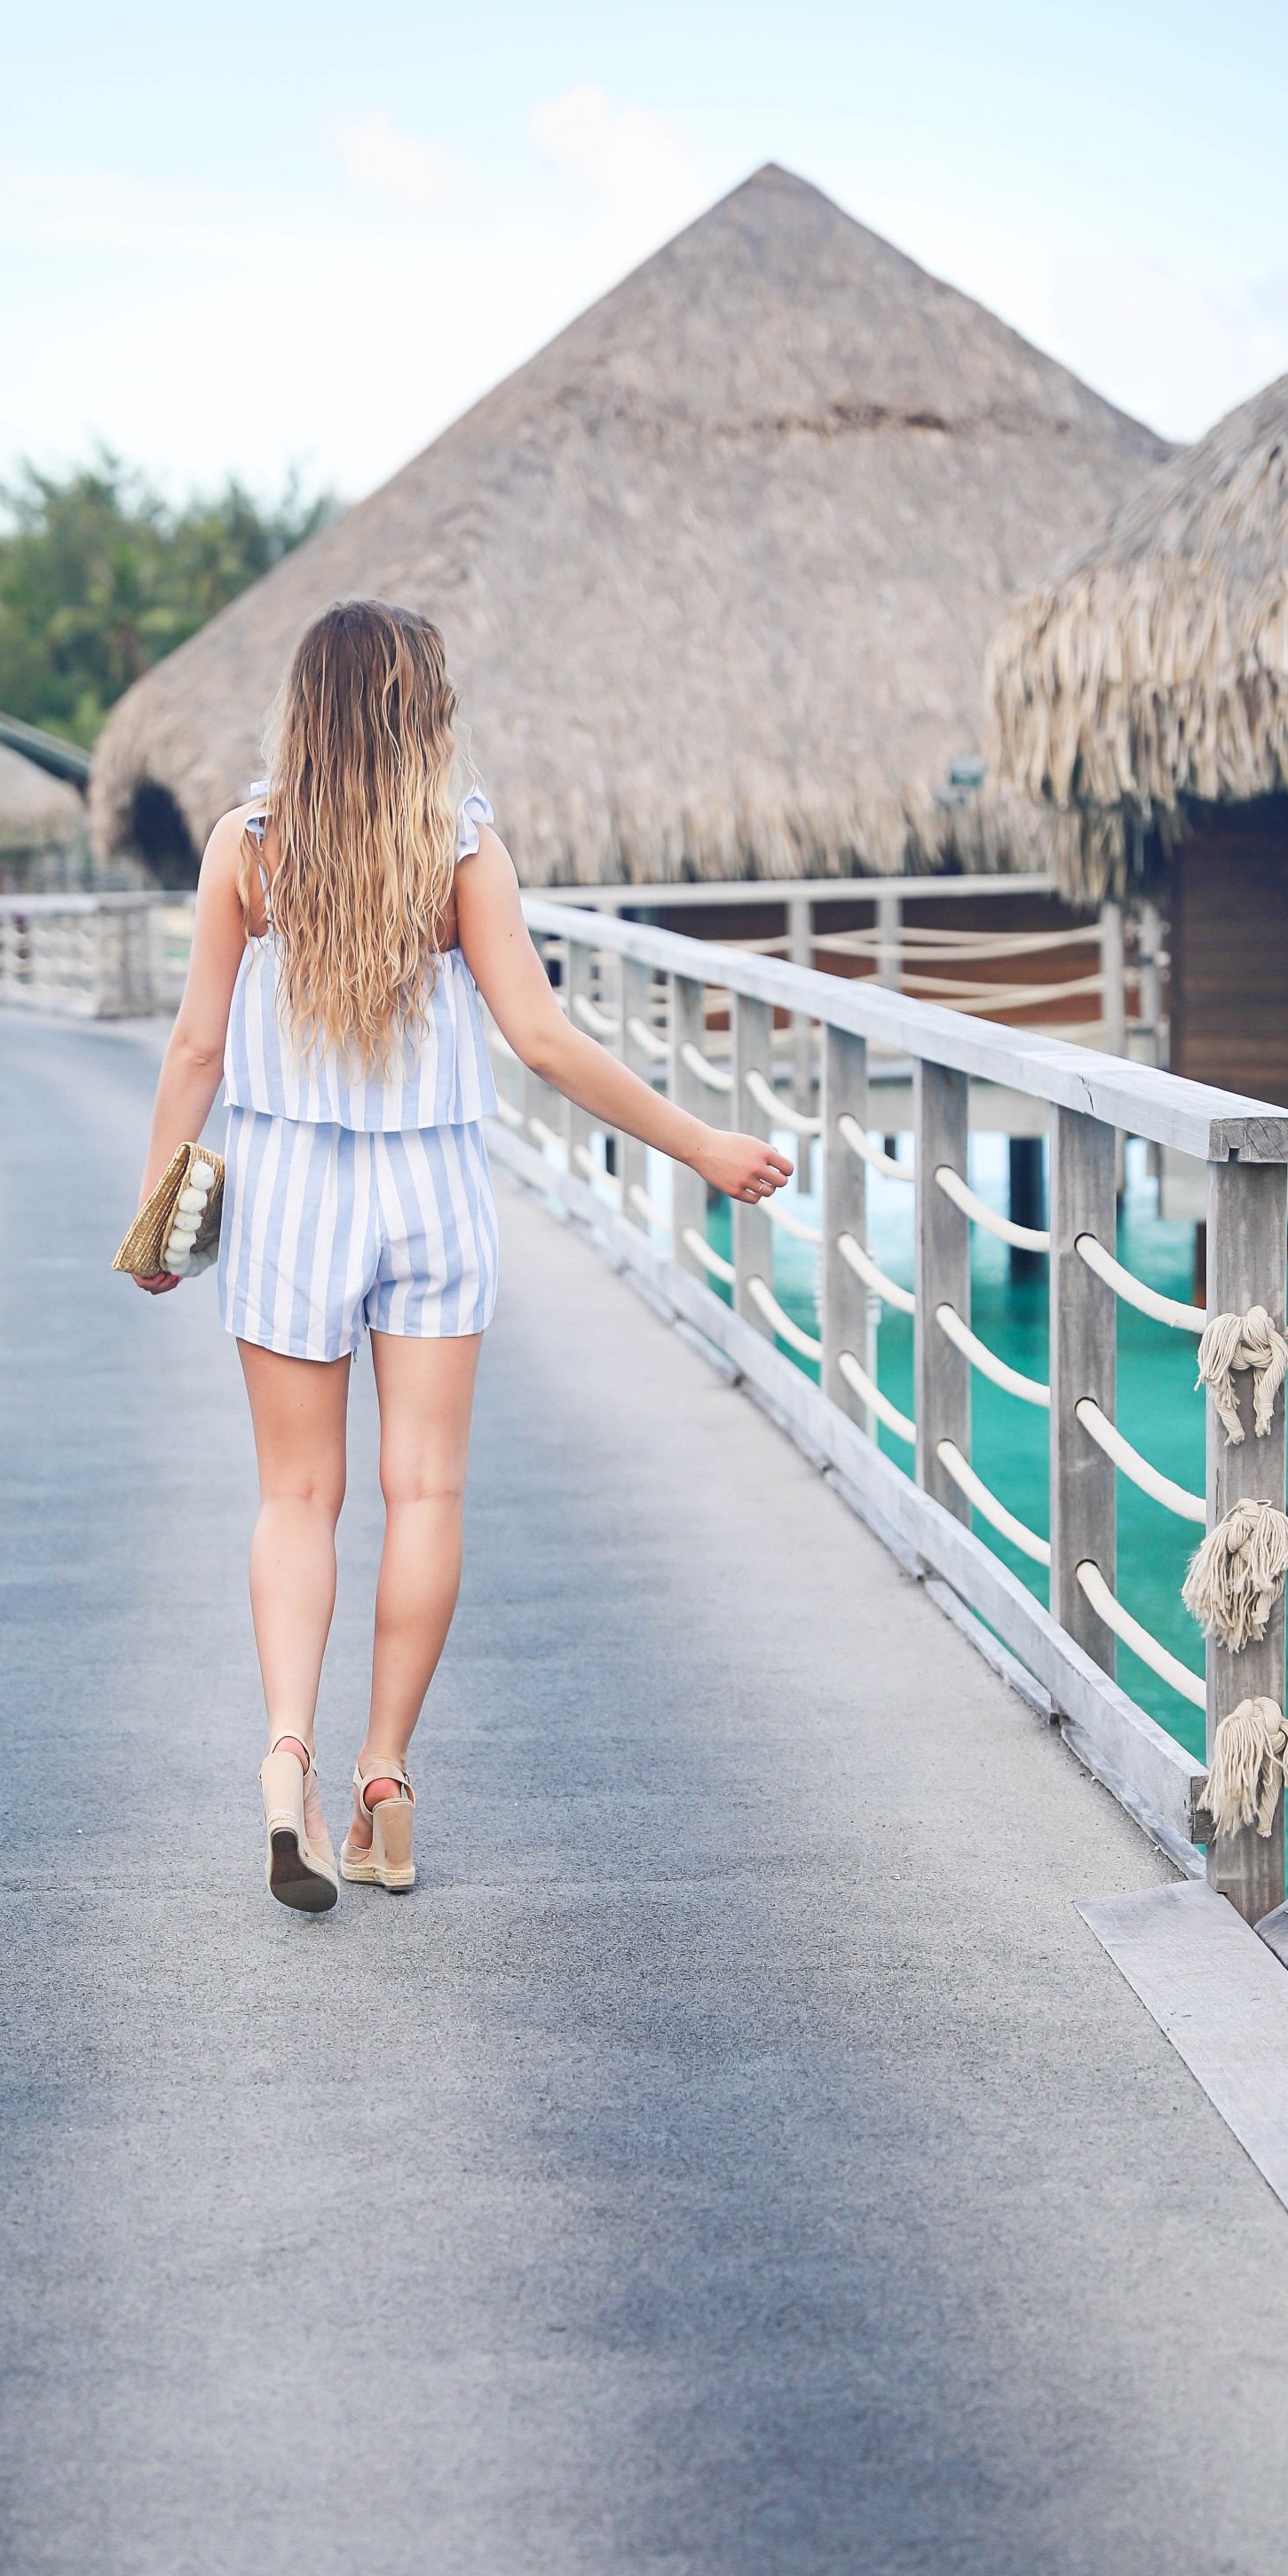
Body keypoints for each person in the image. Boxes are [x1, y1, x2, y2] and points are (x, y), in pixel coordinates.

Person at [131, 599, 791, 1913]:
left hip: (291, 1198)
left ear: (304, 710)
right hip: (430, 1192)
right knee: (424, 1493)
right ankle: (385, 1776)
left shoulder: (246, 850)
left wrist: (159, 1209)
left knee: (295, 1499)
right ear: (422, 712)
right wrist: (700, 1144)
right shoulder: (461, 851)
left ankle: (286, 1765)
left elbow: (199, 1050)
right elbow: (542, 1041)